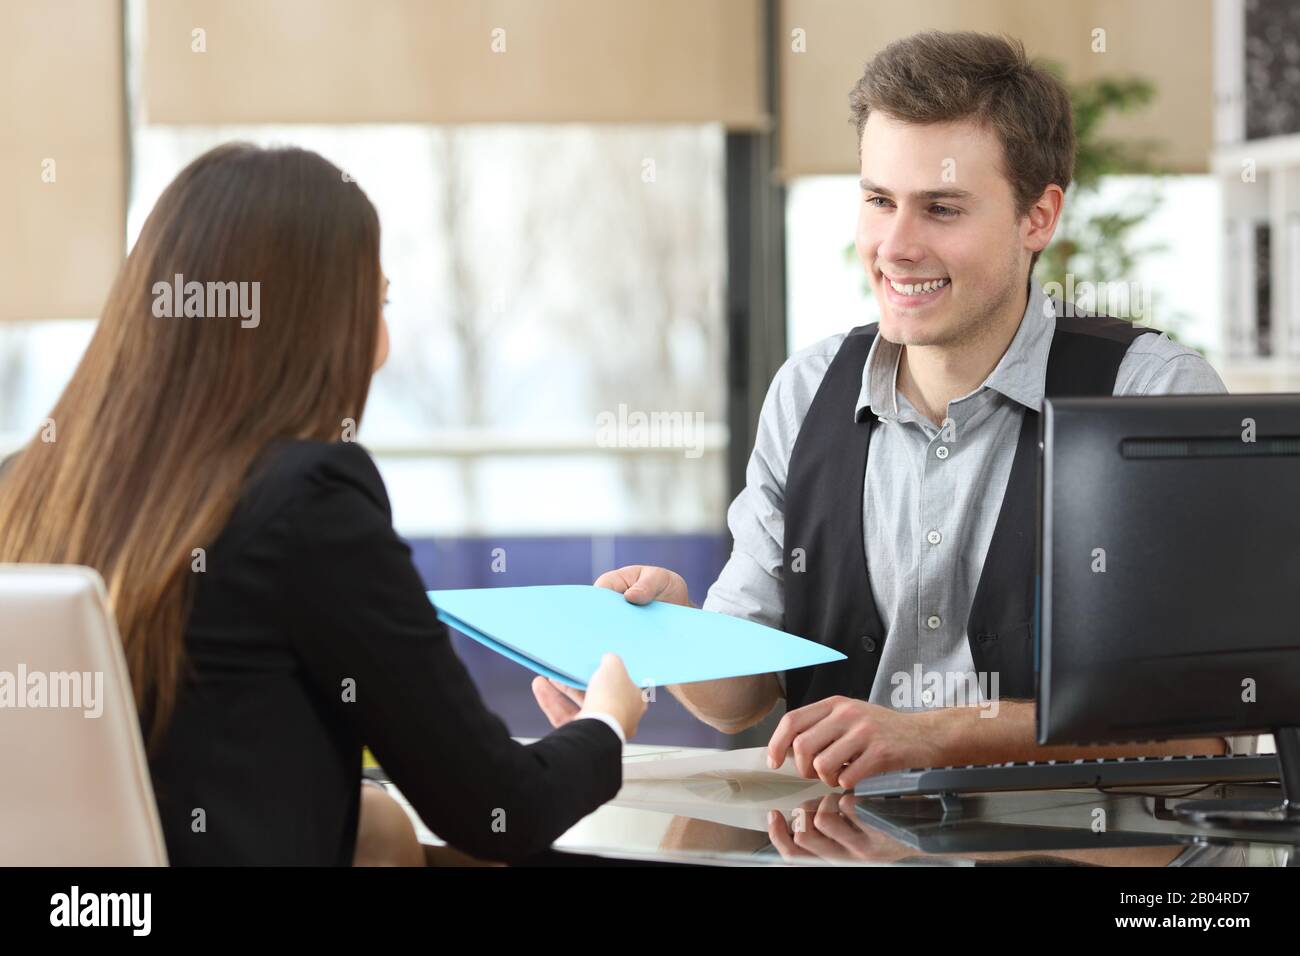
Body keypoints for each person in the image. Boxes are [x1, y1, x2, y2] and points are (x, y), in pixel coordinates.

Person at [559, 31, 1253, 794]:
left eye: (942, 209)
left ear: (1038, 217)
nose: (895, 245)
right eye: (879, 200)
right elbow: (740, 701)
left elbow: (1202, 723)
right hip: (839, 844)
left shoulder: (1148, 394)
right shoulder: (808, 389)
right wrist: (663, 633)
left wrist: (934, 736)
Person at [0, 143, 646, 866]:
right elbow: (498, 808)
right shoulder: (308, 502)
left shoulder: (23, 489)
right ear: (310, 324)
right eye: (379, 304)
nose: (385, 345)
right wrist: (607, 722)